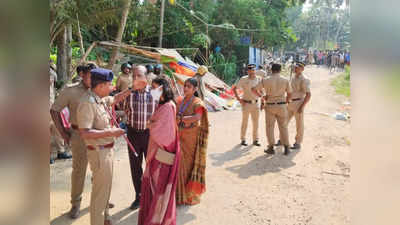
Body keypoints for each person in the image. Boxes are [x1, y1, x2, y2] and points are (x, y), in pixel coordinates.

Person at [77, 68, 127, 225]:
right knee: (100, 194)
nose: (112, 87)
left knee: (106, 189)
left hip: (107, 150)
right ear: (99, 86)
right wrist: (111, 131)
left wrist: (132, 89)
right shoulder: (87, 103)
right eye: (109, 84)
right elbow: (85, 133)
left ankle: (105, 219)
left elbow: (116, 98)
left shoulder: (99, 98)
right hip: (99, 153)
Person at [50, 64, 91, 218]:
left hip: (98, 135)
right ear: (82, 75)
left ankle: (102, 201)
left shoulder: (99, 88)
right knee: (79, 171)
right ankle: (75, 204)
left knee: (100, 170)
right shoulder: (70, 90)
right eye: (90, 76)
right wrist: (63, 133)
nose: (93, 79)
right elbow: (54, 110)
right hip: (79, 135)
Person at [138, 77, 180, 225]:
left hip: (161, 155)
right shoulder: (162, 105)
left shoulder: (168, 106)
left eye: (154, 88)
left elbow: (166, 135)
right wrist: (152, 123)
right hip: (156, 153)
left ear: (162, 89)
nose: (152, 91)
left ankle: (159, 220)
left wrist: (151, 125)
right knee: (155, 189)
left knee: (159, 190)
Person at [122, 65, 158, 210]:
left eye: (139, 76)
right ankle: (139, 196)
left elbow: (163, 111)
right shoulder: (128, 94)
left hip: (150, 135)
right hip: (133, 134)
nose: (136, 79)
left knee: (152, 166)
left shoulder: (155, 93)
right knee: (135, 167)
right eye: (134, 76)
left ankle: (153, 195)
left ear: (146, 77)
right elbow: (124, 110)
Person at [176, 78, 209, 205]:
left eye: (188, 87)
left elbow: (197, 117)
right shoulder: (180, 100)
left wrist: (181, 119)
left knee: (189, 165)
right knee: (179, 165)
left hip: (191, 138)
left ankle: (190, 196)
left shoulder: (197, 102)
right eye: (184, 86)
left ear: (195, 89)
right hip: (179, 136)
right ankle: (180, 195)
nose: (185, 88)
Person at [252, 63, 292, 155]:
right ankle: (286, 147)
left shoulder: (265, 80)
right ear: (280, 70)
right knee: (283, 127)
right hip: (282, 105)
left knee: (270, 127)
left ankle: (271, 147)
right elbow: (290, 94)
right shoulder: (285, 80)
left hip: (270, 105)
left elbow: (254, 89)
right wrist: (286, 101)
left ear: (271, 70)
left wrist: (262, 97)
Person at [233, 64, 262, 147]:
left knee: (256, 123)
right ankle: (243, 139)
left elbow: (262, 90)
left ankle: (255, 140)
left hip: (256, 103)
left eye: (253, 70)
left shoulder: (259, 79)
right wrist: (239, 99)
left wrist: (262, 99)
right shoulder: (243, 79)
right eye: (249, 70)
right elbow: (235, 88)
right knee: (245, 122)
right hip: (246, 104)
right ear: (247, 71)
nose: (251, 71)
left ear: (255, 70)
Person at [286, 62, 311, 150]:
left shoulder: (304, 79)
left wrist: (302, 106)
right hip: (290, 103)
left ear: (302, 69)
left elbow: (308, 95)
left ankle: (298, 142)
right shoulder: (293, 77)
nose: (295, 69)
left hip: (298, 103)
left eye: (297, 68)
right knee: (283, 122)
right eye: (295, 67)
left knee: (299, 125)